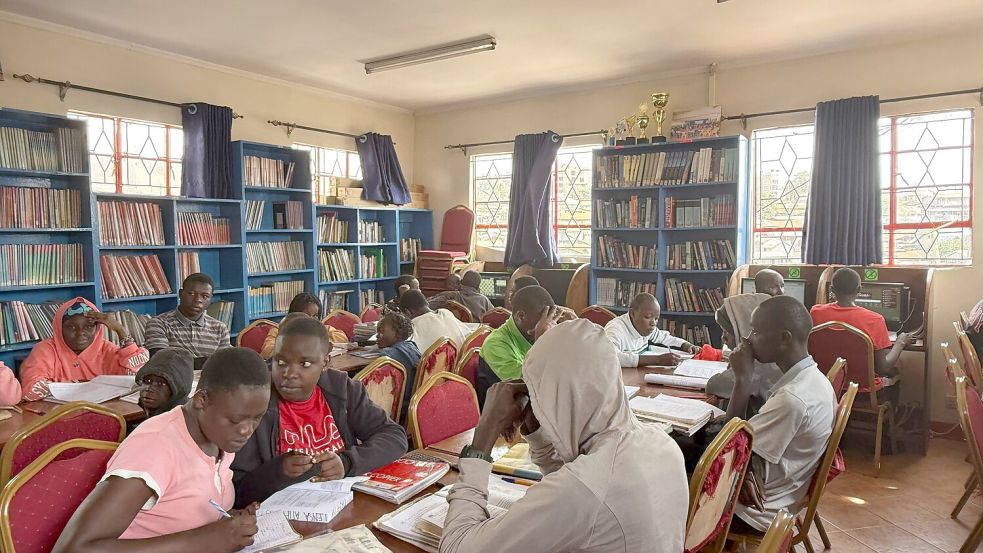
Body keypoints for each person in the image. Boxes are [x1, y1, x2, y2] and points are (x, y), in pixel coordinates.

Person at [440, 319, 688, 552]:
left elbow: (455, 546)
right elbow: (576, 487)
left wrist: (484, 434)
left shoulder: (586, 490)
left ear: (554, 398)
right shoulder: (662, 444)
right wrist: (536, 432)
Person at [53, 348, 272, 553]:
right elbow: (73, 548)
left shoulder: (220, 436)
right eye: (236, 419)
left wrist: (228, 523)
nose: (247, 430)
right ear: (202, 400)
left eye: (257, 417)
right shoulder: (155, 447)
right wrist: (205, 540)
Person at [231, 316, 407, 507]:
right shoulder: (256, 402)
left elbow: (394, 436)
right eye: (280, 362)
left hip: (343, 506)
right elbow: (237, 491)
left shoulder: (342, 389)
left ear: (325, 363)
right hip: (283, 516)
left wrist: (347, 463)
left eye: (305, 364)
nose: (289, 374)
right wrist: (278, 471)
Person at [726, 296, 836, 532]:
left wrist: (742, 380)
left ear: (784, 337)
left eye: (755, 331)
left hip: (755, 513)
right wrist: (748, 460)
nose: (747, 338)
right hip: (784, 492)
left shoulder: (792, 398)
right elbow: (742, 444)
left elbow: (726, 449)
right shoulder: (815, 378)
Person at [20, 297, 149, 402]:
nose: (81, 333)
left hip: (105, 413)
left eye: (88, 326)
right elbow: (32, 388)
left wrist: (120, 331)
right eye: (71, 327)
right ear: (60, 329)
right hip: (57, 416)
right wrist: (85, 385)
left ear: (97, 329)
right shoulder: (46, 350)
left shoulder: (107, 349)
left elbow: (137, 378)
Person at [810, 268, 916, 377]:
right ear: (859, 289)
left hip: (828, 386)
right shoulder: (875, 320)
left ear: (832, 289)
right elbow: (883, 368)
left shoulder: (816, 312)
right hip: (865, 390)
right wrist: (900, 342)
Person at [477, 286, 571, 405]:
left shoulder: (537, 332)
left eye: (550, 319)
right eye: (542, 320)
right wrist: (544, 342)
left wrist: (573, 330)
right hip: (505, 416)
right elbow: (534, 384)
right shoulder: (495, 344)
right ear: (520, 316)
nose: (548, 325)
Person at [706, 294, 783, 415]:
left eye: (727, 331)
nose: (723, 338)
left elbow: (714, 385)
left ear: (744, 329)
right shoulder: (775, 356)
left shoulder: (757, 363)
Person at [145, 273, 231, 368]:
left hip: (209, 382)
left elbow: (224, 365)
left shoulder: (220, 328)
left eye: (205, 296)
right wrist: (211, 362)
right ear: (181, 294)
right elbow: (161, 362)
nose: (198, 300)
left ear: (211, 299)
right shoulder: (159, 323)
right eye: (191, 293)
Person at [603, 293, 700, 368]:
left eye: (656, 318)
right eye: (648, 317)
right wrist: (657, 360)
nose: (653, 323)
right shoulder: (615, 329)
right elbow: (610, 356)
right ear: (632, 313)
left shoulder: (646, 328)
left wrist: (685, 345)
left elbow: (664, 337)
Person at [260, 293, 347, 360]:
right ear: (294, 314)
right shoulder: (278, 330)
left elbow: (342, 338)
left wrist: (316, 341)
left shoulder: (322, 329)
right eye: (306, 315)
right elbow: (268, 351)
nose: (311, 319)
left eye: (315, 316)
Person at [376, 311, 422, 423]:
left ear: (398, 334)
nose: (377, 335)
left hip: (396, 409)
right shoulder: (412, 346)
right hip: (415, 405)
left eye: (382, 331)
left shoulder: (387, 356)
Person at [400, 290, 472, 351]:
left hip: (438, 366)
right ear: (426, 303)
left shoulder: (414, 325)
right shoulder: (446, 312)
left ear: (408, 312)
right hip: (461, 362)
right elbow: (468, 333)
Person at [136, 348, 195, 418]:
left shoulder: (186, 421)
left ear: (178, 388)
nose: (149, 388)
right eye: (147, 381)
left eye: (160, 384)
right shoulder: (138, 415)